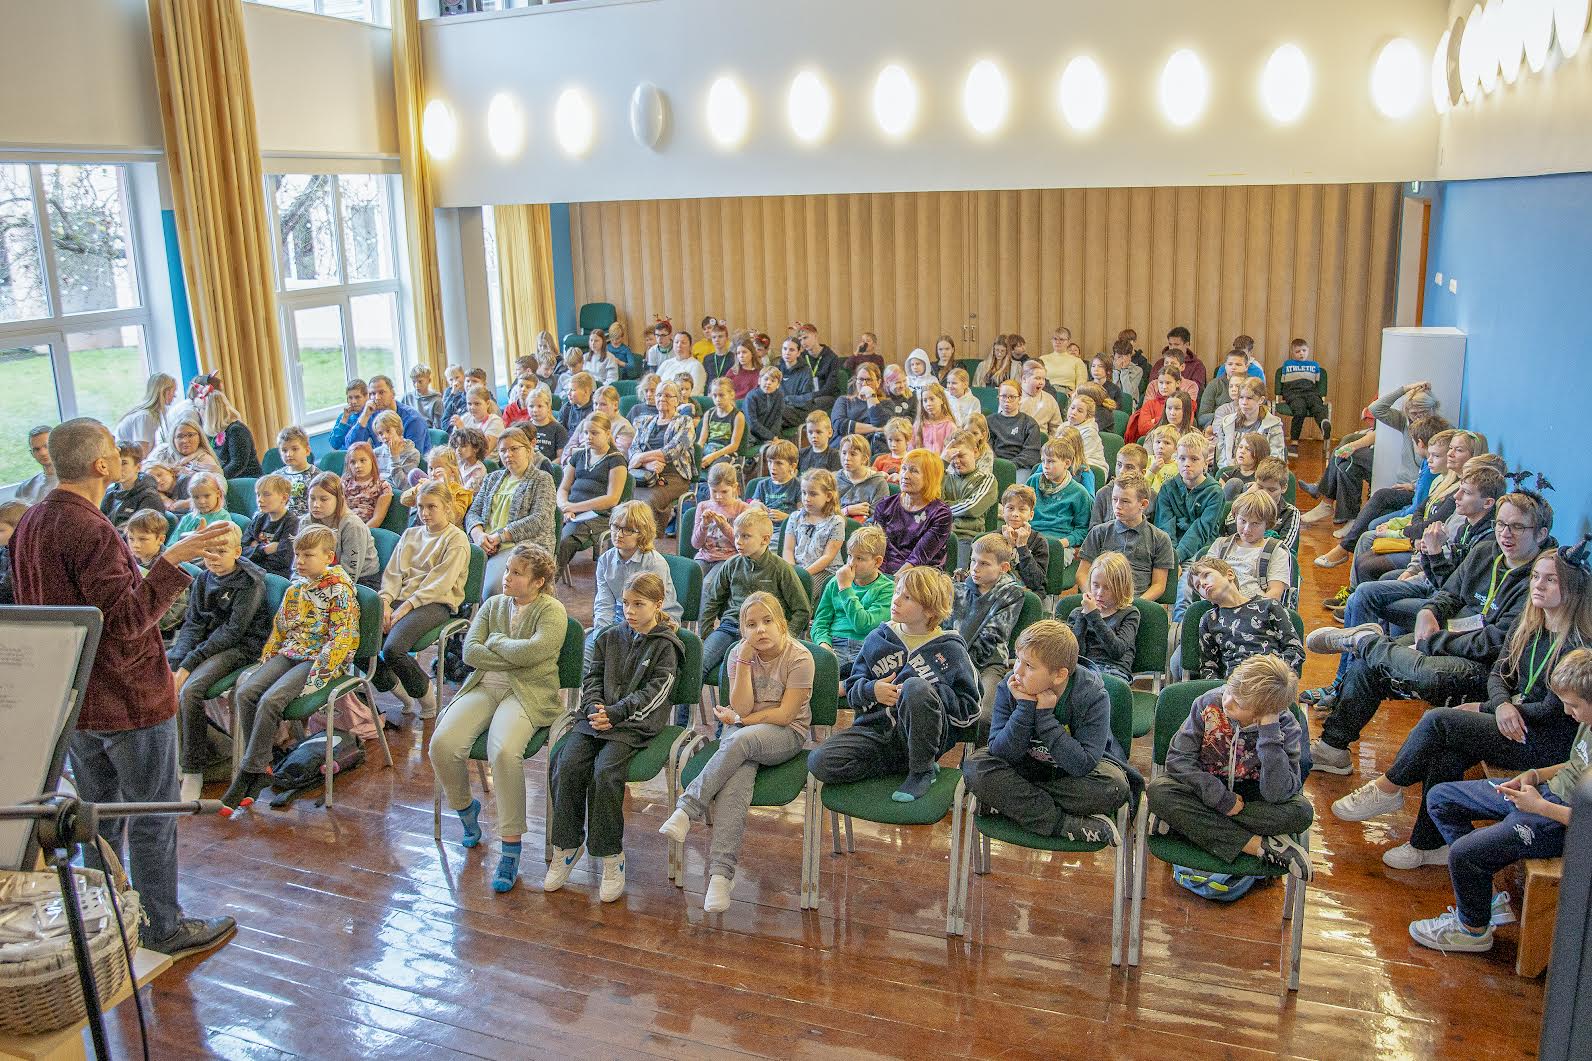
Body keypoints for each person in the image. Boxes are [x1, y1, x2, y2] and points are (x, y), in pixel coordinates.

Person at [9, 418, 236, 956]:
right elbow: (127, 621)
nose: (120, 453)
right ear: (100, 465)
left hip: (75, 699)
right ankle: (162, 925)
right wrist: (171, 562)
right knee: (154, 814)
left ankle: (108, 915)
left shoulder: (31, 524)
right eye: (114, 448)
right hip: (129, 701)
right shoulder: (92, 531)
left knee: (96, 820)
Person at [1334, 545, 1592, 871]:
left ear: (1572, 589)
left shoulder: (1577, 644)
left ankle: (1388, 788)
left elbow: (1554, 711)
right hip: (1510, 718)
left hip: (1541, 739)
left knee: (1439, 721)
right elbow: (1500, 671)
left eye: (1551, 580)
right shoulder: (1531, 622)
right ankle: (1429, 845)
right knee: (1447, 752)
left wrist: (1493, 709)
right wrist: (1496, 704)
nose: (1538, 585)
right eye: (1536, 577)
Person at [1307, 490, 1553, 775]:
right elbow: (1450, 591)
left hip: (1485, 669)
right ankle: (1332, 749)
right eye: (1501, 523)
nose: (1505, 533)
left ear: (1541, 533)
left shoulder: (1539, 581)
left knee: (1425, 672)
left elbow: (1493, 643)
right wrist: (1429, 611)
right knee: (1367, 666)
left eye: (1518, 527)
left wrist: (1434, 641)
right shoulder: (1487, 551)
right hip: (1445, 641)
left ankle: (1365, 641)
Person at [1406, 647, 1592, 953]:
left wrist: (1539, 806)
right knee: (1441, 798)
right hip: (1541, 795)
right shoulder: (1586, 718)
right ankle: (1486, 899)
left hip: (1559, 821)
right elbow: (1574, 764)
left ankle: (1472, 929)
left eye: (1573, 706)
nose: (1568, 712)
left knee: (1465, 853)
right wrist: (1534, 775)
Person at [658, 593, 815, 913]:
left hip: (785, 735)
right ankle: (720, 875)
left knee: (740, 742)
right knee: (736, 783)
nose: (760, 630)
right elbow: (741, 704)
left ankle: (687, 808)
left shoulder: (800, 657)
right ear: (742, 630)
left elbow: (785, 716)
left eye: (768, 621)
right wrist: (742, 663)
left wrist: (741, 721)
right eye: (752, 625)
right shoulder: (738, 656)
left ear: (783, 624)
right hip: (741, 731)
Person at [429, 542, 566, 893]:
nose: (506, 577)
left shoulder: (552, 611)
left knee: (504, 751)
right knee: (442, 744)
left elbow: (537, 651)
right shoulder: (492, 605)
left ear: (538, 582)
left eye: (517, 573)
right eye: (507, 570)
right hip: (484, 688)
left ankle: (510, 846)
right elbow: (471, 652)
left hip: (527, 693)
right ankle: (465, 808)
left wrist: (498, 643)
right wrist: (511, 652)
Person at [545, 571, 685, 902]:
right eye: (626, 603)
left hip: (633, 725)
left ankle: (611, 856)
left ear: (657, 605)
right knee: (565, 762)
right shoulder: (609, 637)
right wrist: (595, 706)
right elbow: (592, 676)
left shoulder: (666, 646)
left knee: (606, 772)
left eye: (639, 604)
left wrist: (617, 713)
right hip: (596, 719)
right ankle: (566, 846)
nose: (631, 611)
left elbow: (657, 692)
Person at [808, 565, 980, 801]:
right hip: (876, 733)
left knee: (915, 687)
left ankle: (921, 770)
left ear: (930, 610)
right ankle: (905, 765)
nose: (896, 600)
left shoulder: (950, 649)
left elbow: (969, 710)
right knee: (819, 762)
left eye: (907, 597)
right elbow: (853, 687)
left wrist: (930, 693)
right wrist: (872, 690)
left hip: (926, 737)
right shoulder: (879, 637)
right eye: (897, 592)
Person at [224, 525, 357, 814]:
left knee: (272, 700)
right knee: (247, 692)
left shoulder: (340, 591)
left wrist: (319, 674)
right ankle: (262, 761)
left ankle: (251, 771)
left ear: (329, 557)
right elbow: (281, 629)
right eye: (297, 555)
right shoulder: (296, 588)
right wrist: (268, 661)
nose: (299, 561)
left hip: (319, 659)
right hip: (292, 651)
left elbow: (341, 638)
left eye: (308, 555)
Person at [1145, 655, 1313, 880]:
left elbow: (1278, 793)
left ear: (1264, 712)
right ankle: (1257, 845)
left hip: (1254, 798)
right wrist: (1220, 799)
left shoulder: (1285, 726)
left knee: (1301, 812)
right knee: (1159, 791)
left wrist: (1269, 736)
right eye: (1229, 690)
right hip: (1204, 790)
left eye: (1239, 703)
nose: (1227, 701)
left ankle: (1182, 825)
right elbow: (1178, 760)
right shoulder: (1208, 704)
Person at [962, 619, 1130, 841]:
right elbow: (1001, 752)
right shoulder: (1009, 685)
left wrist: (1044, 718)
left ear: (1059, 675)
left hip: (1069, 776)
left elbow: (1082, 765)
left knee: (1114, 785)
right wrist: (1025, 707)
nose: (1017, 671)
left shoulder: (1092, 695)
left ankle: (1011, 803)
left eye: (1029, 666)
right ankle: (1064, 825)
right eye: (1018, 660)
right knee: (975, 767)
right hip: (1025, 767)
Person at [171, 521, 270, 800]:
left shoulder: (250, 583)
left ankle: (193, 770)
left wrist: (189, 664)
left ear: (238, 551)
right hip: (209, 645)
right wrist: (179, 660)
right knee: (162, 674)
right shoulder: (203, 578)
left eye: (221, 551)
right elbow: (193, 624)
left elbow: (232, 633)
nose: (214, 557)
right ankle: (199, 751)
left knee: (190, 690)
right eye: (209, 551)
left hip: (241, 648)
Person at [375, 481, 470, 718]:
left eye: (431, 507)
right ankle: (401, 693)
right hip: (401, 599)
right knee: (355, 642)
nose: (425, 513)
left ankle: (427, 698)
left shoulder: (456, 539)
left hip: (435, 603)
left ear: (447, 507)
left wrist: (403, 609)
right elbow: (393, 574)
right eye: (420, 507)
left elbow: (439, 584)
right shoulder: (410, 534)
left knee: (394, 649)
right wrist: (385, 602)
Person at [701, 507, 811, 677]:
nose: (738, 541)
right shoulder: (731, 564)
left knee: (731, 673)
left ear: (765, 539)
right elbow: (712, 600)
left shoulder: (780, 568)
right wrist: (706, 633)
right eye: (737, 535)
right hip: (731, 627)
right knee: (698, 665)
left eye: (745, 536)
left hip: (765, 632)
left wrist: (784, 637)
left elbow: (802, 610)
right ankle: (684, 706)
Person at [466, 426, 558, 596]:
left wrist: (499, 536)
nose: (508, 455)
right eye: (503, 451)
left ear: (528, 450)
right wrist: (479, 535)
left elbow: (539, 520)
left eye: (514, 449)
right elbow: (473, 512)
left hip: (522, 547)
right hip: (485, 544)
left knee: (492, 589)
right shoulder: (492, 478)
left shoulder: (542, 479)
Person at [949, 533, 1026, 722]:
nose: (975, 568)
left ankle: (980, 752)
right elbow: (944, 628)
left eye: (984, 564)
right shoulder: (958, 588)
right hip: (951, 659)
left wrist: (963, 668)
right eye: (973, 561)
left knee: (984, 716)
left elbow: (993, 636)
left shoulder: (1011, 594)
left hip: (988, 663)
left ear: (1003, 568)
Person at [1190, 556, 1304, 679]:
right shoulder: (1209, 619)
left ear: (1229, 575)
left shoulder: (1269, 605)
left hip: (1271, 679)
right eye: (1198, 586)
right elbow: (1208, 667)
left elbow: (1295, 650)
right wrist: (1223, 689)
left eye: (1206, 575)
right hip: (1233, 685)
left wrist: (1269, 672)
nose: (1202, 583)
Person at [811, 524, 894, 679]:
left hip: (866, 647)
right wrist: (823, 643)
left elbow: (864, 625)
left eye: (859, 558)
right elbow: (820, 622)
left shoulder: (887, 589)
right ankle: (843, 687)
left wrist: (846, 588)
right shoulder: (835, 582)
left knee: (869, 679)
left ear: (877, 562)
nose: (851, 563)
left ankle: (846, 687)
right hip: (834, 644)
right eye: (849, 555)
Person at [1075, 474, 1175, 602]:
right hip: (1100, 601)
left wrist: (1135, 605)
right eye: (1114, 499)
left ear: (1143, 504)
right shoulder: (1099, 532)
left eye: (1125, 501)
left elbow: (1158, 585)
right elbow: (1082, 574)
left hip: (1136, 604)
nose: (1117, 505)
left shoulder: (1160, 538)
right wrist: (1093, 596)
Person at [592, 500, 681, 638]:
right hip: (621, 618)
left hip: (655, 623)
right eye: (615, 526)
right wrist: (601, 636)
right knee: (590, 653)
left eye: (628, 530)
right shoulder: (605, 561)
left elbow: (657, 611)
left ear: (642, 533)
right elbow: (604, 605)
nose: (619, 534)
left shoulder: (655, 563)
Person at [553, 412, 627, 578]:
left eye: (595, 433)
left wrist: (575, 508)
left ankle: (545, 588)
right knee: (541, 534)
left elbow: (612, 499)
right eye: (586, 433)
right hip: (570, 512)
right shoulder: (579, 455)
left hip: (598, 516)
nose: (589, 437)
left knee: (564, 542)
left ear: (608, 434)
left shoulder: (616, 460)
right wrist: (564, 507)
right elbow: (563, 488)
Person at [868, 448, 954, 574]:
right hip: (883, 572)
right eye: (903, 468)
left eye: (913, 471)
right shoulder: (885, 505)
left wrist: (892, 583)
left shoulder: (940, 514)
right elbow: (878, 549)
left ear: (930, 478)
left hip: (919, 575)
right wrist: (878, 578)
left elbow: (918, 558)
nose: (905, 475)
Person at [628, 381, 696, 527]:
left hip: (673, 476)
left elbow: (673, 450)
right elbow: (633, 449)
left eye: (667, 395)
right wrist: (647, 464)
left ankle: (645, 542)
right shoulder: (645, 421)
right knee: (623, 496)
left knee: (647, 502)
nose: (661, 398)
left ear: (677, 401)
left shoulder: (685, 421)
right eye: (659, 395)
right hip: (645, 473)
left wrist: (640, 458)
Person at [1068, 551, 1141, 682]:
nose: (1099, 593)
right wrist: (1084, 616)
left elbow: (1116, 651)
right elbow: (1075, 654)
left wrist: (1093, 615)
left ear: (1121, 588)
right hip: (1082, 669)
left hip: (1113, 672)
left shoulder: (1130, 613)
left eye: (1107, 588)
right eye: (1095, 585)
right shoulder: (1078, 613)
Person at [1155, 432, 1223, 565]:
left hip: (1201, 549)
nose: (1187, 464)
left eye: (1194, 459)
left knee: (1186, 580)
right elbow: (1164, 525)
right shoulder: (1167, 488)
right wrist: (1171, 555)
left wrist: (1177, 557)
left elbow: (1200, 530)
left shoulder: (1215, 492)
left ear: (1205, 463)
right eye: (1182, 458)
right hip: (1170, 549)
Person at [304, 472, 379, 590]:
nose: (316, 504)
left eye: (324, 499)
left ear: (339, 500)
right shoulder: (306, 522)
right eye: (312, 498)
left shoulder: (352, 526)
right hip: (319, 576)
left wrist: (317, 588)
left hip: (361, 581)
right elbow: (298, 562)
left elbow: (350, 574)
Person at [783, 468, 845, 598]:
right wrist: (792, 570)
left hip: (824, 571)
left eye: (813, 494)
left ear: (828, 496)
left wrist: (804, 574)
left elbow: (827, 557)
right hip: (797, 569)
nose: (807, 498)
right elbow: (788, 550)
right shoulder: (795, 517)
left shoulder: (836, 522)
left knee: (801, 592)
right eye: (804, 493)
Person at [1028, 436, 1092, 554]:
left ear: (1067, 463)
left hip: (1059, 542)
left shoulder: (1079, 492)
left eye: (1051, 461)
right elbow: (1022, 511)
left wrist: (1064, 542)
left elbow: (1083, 529)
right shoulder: (1033, 481)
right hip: (1030, 536)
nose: (1045, 466)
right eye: (1043, 461)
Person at [341, 374, 431, 452]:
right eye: (372, 393)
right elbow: (351, 446)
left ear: (393, 393)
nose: (377, 397)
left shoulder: (413, 419)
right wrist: (365, 415)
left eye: (381, 392)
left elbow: (414, 456)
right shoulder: (372, 416)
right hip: (383, 465)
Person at [692, 461, 750, 579]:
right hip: (704, 556)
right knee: (692, 580)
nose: (718, 496)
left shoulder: (742, 508)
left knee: (708, 584)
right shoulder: (703, 506)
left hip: (729, 558)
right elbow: (696, 544)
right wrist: (704, 526)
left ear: (734, 487)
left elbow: (744, 546)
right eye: (714, 491)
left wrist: (725, 527)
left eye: (724, 492)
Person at [1278, 338, 1331, 450]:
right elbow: (1283, 381)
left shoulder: (1315, 365)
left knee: (1317, 406)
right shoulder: (1287, 364)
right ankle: (1294, 441)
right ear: (1292, 352)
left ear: (1308, 350)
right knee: (1299, 409)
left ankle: (1324, 425)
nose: (1301, 353)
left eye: (1304, 350)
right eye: (1298, 351)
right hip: (1293, 392)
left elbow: (1316, 381)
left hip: (1309, 391)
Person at [997, 484, 1050, 594]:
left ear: (1031, 515)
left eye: (1022, 509)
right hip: (999, 593)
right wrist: (1008, 546)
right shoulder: (993, 538)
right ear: (1003, 511)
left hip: (1029, 595)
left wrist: (1022, 548)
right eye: (1010, 508)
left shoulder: (1039, 541)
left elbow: (1036, 582)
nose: (1015, 514)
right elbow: (989, 575)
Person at [243, 473, 297, 578]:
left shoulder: (292, 523)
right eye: (258, 494)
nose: (260, 499)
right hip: (252, 571)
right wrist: (265, 550)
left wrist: (255, 549)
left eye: (266, 494)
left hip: (277, 575)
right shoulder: (259, 518)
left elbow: (284, 560)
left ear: (284, 498)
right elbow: (241, 551)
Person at [115, 372, 178, 460]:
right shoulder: (145, 417)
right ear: (166, 392)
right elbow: (142, 454)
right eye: (173, 391)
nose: (175, 395)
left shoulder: (153, 415)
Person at [101, 442, 165, 528]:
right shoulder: (109, 492)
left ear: (138, 467)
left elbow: (142, 533)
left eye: (124, 463)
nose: (118, 467)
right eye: (116, 462)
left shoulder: (149, 497)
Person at [1089, 442, 1152, 529]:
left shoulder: (1153, 497)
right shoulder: (1103, 493)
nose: (1122, 471)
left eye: (1129, 467)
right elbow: (1093, 529)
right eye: (1119, 465)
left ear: (1143, 472)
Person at [200, 389, 260, 480]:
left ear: (210, 412)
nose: (199, 412)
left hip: (245, 481)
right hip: (228, 479)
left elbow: (237, 464)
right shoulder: (212, 434)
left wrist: (216, 478)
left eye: (201, 408)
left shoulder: (236, 430)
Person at [989, 381, 1044, 476]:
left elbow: (1031, 454)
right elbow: (986, 447)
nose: (1007, 400)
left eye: (1012, 397)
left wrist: (1010, 465)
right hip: (993, 465)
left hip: (1020, 468)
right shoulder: (989, 421)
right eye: (1003, 396)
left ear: (1019, 398)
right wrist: (997, 464)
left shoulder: (1029, 423)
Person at [699, 377, 747, 471]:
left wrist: (712, 456)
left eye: (721, 395)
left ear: (732, 394)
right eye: (714, 395)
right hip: (709, 449)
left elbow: (734, 446)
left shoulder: (738, 416)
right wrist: (697, 455)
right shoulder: (709, 414)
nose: (718, 399)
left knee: (717, 470)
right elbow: (702, 441)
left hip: (726, 453)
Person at [341, 441, 393, 529]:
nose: (357, 466)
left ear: (372, 461)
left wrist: (360, 532)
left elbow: (377, 518)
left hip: (366, 529)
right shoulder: (344, 482)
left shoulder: (383, 486)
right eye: (353, 462)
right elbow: (340, 510)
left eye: (362, 460)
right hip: (344, 525)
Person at [838, 433, 889, 521]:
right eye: (844, 453)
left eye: (853, 454)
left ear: (864, 459)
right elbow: (825, 513)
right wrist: (847, 511)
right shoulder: (836, 478)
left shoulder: (878, 482)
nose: (847, 458)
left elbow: (879, 517)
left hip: (864, 531)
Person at [274, 425, 318, 517]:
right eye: (284, 450)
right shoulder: (275, 477)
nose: (289, 454)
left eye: (294, 449)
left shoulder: (317, 477)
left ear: (307, 450)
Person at [1150, 326, 1207, 390]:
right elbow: (1152, 385)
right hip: (1160, 398)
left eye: (1176, 344)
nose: (1172, 348)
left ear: (1187, 344)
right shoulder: (1160, 363)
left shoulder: (1197, 365)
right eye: (1170, 344)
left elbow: (1196, 388)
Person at [1018, 361, 1063, 438]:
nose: (1042, 382)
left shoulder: (1049, 399)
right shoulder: (1012, 396)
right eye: (1037, 378)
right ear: (1024, 379)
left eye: (1043, 379)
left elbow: (1057, 428)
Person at [657, 330, 706, 396]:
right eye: (676, 342)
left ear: (690, 346)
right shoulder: (666, 363)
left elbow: (694, 392)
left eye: (683, 342)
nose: (679, 345)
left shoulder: (696, 366)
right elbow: (655, 384)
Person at [1041, 329, 1090, 393]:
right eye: (1055, 339)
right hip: (1046, 392)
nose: (1058, 342)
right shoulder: (1042, 359)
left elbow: (1081, 385)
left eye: (1061, 339)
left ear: (1068, 342)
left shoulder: (1077, 361)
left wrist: (1071, 394)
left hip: (1067, 394)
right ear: (1051, 341)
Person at [450, 426, 489, 493]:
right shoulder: (459, 463)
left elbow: (465, 493)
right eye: (456, 446)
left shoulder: (478, 470)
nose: (458, 450)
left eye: (463, 446)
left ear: (476, 448)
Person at [558, 372, 597, 438]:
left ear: (585, 391)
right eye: (568, 390)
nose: (568, 393)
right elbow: (559, 433)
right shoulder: (566, 408)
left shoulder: (596, 408)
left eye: (573, 390)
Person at [1111, 338, 1144, 405]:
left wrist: (1124, 370)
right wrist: (1116, 371)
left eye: (1126, 356)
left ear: (1130, 356)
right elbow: (1111, 391)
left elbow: (1128, 394)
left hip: (1130, 403)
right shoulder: (1108, 368)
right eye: (1120, 357)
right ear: (1114, 356)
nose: (1123, 360)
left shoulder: (1137, 370)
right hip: (1111, 401)